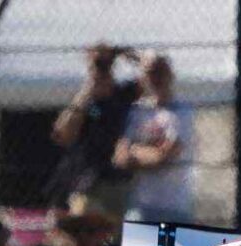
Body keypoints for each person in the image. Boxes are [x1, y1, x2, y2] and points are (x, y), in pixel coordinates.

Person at [47, 43, 140, 225]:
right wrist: (87, 92)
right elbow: (62, 134)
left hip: (118, 180)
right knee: (85, 228)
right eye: (98, 63)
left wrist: (127, 55)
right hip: (87, 181)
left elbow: (153, 77)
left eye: (106, 63)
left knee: (117, 234)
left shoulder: (124, 94)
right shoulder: (85, 101)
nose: (102, 68)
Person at [113, 52, 193, 223]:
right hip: (139, 208)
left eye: (160, 72)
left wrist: (135, 151)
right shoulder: (137, 111)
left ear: (170, 75)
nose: (156, 78)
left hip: (173, 208)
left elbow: (164, 156)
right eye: (150, 72)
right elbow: (120, 157)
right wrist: (149, 152)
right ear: (142, 78)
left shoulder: (181, 111)